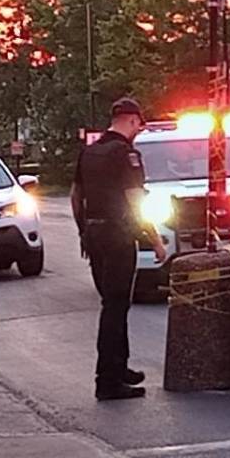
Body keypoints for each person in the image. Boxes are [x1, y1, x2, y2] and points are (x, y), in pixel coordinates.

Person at [71, 96, 167, 400]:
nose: (139, 130)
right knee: (114, 306)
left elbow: (76, 197)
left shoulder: (89, 152)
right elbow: (135, 200)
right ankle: (107, 381)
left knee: (115, 304)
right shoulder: (125, 155)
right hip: (118, 236)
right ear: (132, 120)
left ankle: (119, 366)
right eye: (139, 124)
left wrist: (83, 231)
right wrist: (155, 240)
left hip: (95, 237)